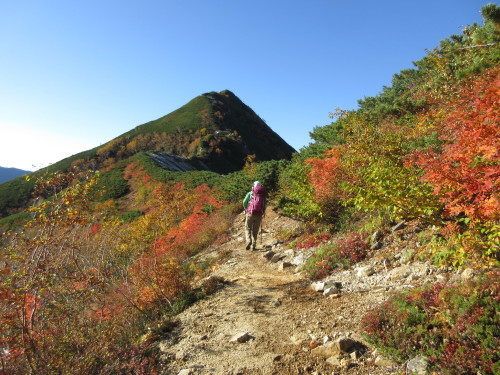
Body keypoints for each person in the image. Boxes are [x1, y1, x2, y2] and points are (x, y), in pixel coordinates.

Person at [243, 181, 267, 250]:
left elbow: (244, 202)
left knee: (247, 228)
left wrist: (245, 209)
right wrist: (263, 211)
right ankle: (253, 245)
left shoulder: (250, 193)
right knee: (255, 230)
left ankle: (248, 240)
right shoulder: (263, 195)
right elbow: (265, 205)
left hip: (250, 213)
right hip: (259, 214)